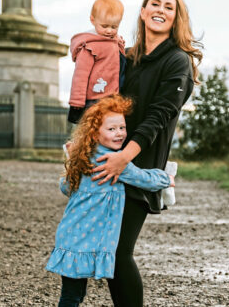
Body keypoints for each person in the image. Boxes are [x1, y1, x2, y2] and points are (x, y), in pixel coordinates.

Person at [91, 0, 203, 306]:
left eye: (169, 7)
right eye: (155, 3)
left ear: (175, 18)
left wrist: (123, 159)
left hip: (137, 167)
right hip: (107, 164)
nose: (161, 9)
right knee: (107, 253)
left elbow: (158, 117)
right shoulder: (129, 58)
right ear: (142, 12)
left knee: (118, 251)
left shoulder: (177, 61)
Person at [46, 94, 174, 307]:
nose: (119, 134)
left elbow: (66, 187)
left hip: (70, 236)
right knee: (72, 297)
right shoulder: (113, 160)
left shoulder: (84, 156)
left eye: (122, 128)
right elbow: (144, 179)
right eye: (111, 129)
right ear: (95, 133)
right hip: (85, 240)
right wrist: (166, 178)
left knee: (72, 295)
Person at [67, 0, 127, 124]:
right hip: (94, 99)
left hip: (113, 98)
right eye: (104, 26)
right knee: (90, 131)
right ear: (92, 20)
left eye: (114, 27)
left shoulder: (115, 42)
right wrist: (77, 100)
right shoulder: (89, 46)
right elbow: (80, 75)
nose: (109, 31)